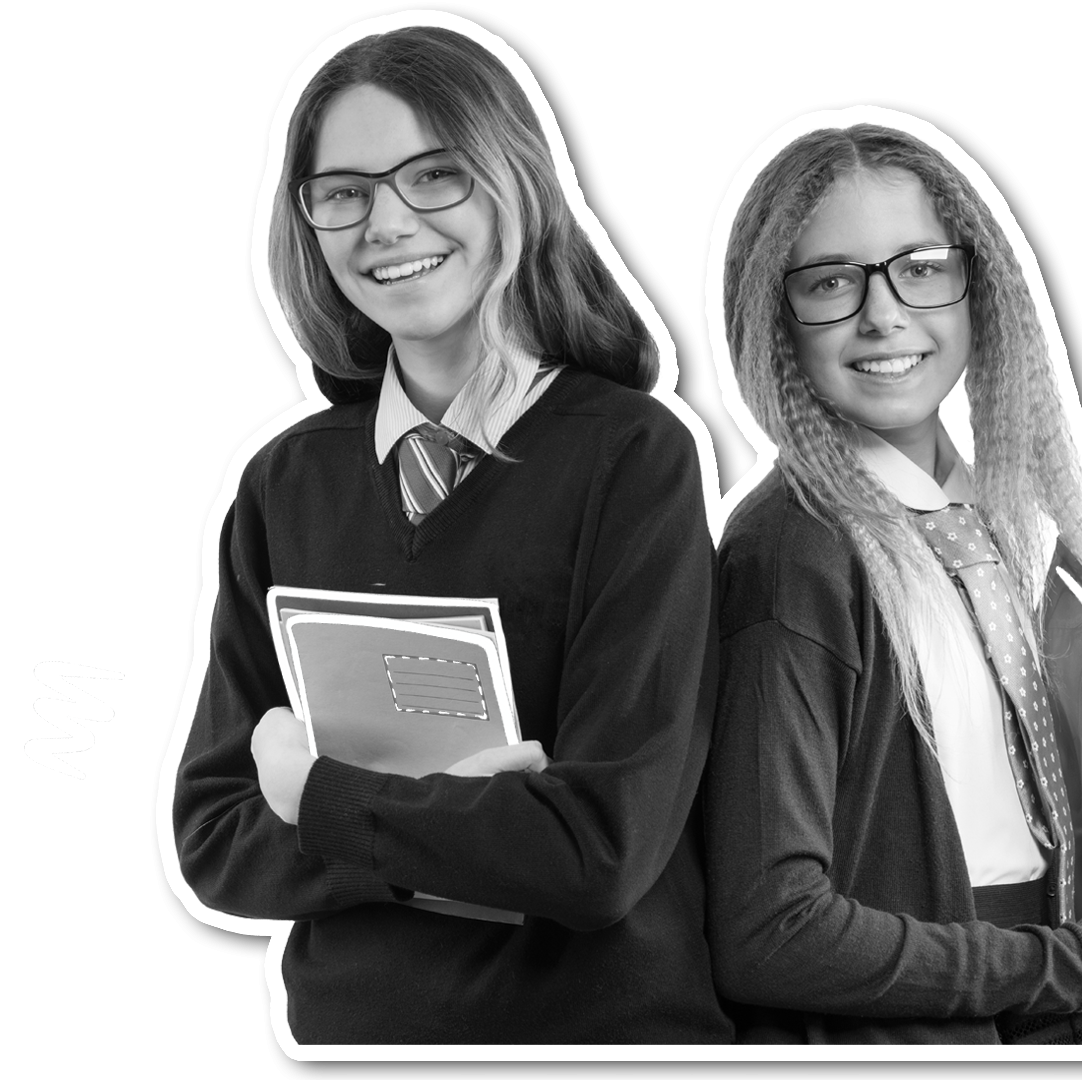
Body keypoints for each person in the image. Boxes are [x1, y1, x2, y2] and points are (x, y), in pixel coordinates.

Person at [169, 24, 730, 1044]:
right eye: (342, 191)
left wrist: (323, 802)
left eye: (434, 176)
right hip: (357, 1038)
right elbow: (212, 836)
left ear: (512, 183)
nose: (385, 221)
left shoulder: (632, 459)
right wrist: (439, 815)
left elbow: (600, 854)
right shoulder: (283, 483)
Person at [705, 122, 1082, 1044]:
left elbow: (999, 830)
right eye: (830, 283)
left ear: (977, 284)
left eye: (922, 266)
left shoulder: (995, 525)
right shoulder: (795, 555)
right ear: (775, 323)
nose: (885, 316)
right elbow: (771, 931)